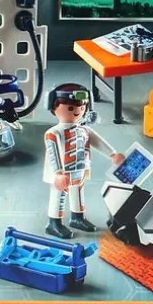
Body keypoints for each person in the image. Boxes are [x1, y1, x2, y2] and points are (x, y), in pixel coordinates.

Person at [43, 83, 124, 238]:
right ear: (53, 106)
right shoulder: (53, 133)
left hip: (79, 169)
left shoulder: (84, 130)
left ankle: (78, 218)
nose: (77, 111)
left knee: (78, 194)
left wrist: (112, 154)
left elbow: (97, 142)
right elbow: (54, 154)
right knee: (58, 196)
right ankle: (54, 223)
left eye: (82, 107)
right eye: (71, 108)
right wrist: (58, 173)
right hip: (62, 173)